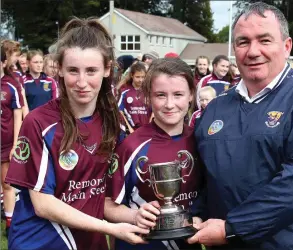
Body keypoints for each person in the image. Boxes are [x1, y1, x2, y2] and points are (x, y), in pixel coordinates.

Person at [188, 2, 293, 249]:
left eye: (264, 40)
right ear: (234, 49)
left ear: (286, 47)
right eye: (243, 42)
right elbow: (207, 179)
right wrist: (196, 212)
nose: (253, 51)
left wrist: (233, 228)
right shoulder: (216, 108)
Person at [5, 17, 148, 250]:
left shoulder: (113, 123)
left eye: (91, 70)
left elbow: (100, 196)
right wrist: (112, 229)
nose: (82, 82)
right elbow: (43, 204)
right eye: (73, 70)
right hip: (41, 243)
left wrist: (136, 217)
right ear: (59, 69)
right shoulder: (39, 122)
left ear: (107, 70)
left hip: (90, 241)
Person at [105, 58, 202, 250]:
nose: (169, 104)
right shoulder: (131, 147)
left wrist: (199, 215)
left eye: (178, 94)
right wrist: (134, 216)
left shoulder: (201, 142)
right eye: (160, 95)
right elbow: (105, 204)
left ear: (191, 95)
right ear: (148, 97)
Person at [1, 45, 24, 236]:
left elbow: (18, 116)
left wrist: (16, 144)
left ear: (2, 63)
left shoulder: (11, 84)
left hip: (6, 144)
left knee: (7, 185)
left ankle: (10, 223)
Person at [118, 62, 152, 133]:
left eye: (143, 77)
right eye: (138, 77)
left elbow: (154, 111)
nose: (141, 80)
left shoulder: (149, 92)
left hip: (148, 130)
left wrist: (150, 125)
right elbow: (119, 111)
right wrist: (129, 128)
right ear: (132, 75)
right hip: (132, 131)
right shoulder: (124, 92)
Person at [1, 39, 29, 118]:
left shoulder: (17, 75)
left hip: (12, 123)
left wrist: (26, 120)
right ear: (7, 54)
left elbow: (23, 101)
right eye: (16, 55)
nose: (18, 59)